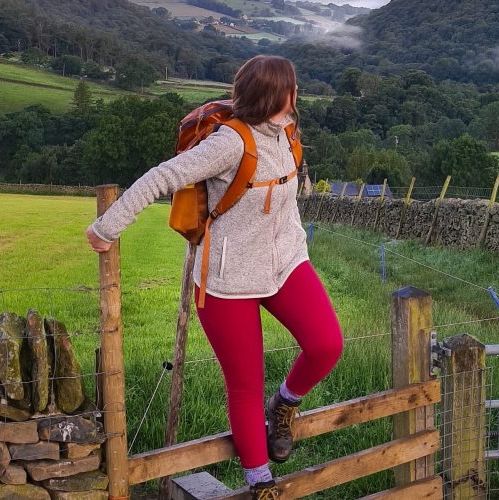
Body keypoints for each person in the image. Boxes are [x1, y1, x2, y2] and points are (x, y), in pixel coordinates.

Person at [85, 55, 344, 499]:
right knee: (244, 384)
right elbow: (161, 177)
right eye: (292, 88)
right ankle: (260, 483)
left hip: (285, 263)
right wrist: (106, 227)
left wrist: (295, 245)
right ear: (278, 94)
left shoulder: (288, 132)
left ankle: (284, 403)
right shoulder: (229, 144)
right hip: (227, 278)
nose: (296, 95)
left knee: (326, 344)